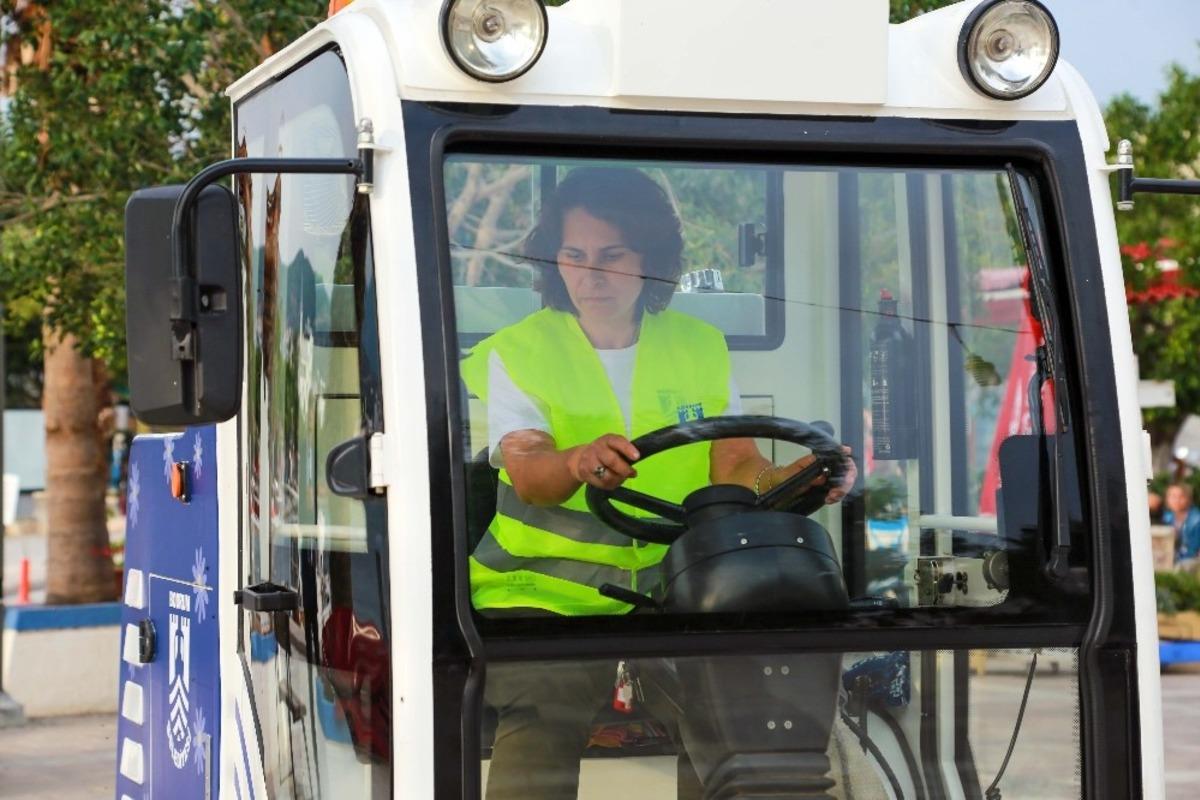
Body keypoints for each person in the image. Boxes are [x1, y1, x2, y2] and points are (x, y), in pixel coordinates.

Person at [460, 167, 855, 798]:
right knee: (546, 703)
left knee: (730, 713)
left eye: (613, 256)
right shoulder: (519, 351)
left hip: (675, 594)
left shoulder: (699, 346)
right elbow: (529, 469)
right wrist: (575, 462)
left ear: (652, 260)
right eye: (574, 255)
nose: (591, 274)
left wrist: (798, 477)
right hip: (543, 601)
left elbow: (735, 467)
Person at [1164, 483, 1200, 562]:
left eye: (1181, 496)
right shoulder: (1166, 518)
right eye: (1173, 496)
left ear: (1189, 499)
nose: (1177, 500)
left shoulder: (1197, 520)